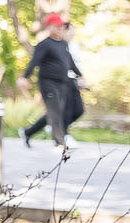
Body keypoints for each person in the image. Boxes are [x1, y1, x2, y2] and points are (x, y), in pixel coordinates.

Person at [21, 13, 86, 155]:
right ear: (50, 27)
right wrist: (24, 77)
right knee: (55, 113)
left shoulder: (63, 44)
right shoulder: (44, 44)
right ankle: (60, 142)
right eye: (57, 26)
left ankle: (28, 132)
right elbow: (34, 62)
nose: (61, 28)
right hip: (48, 83)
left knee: (55, 113)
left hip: (62, 84)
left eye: (62, 26)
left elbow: (70, 62)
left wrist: (80, 76)